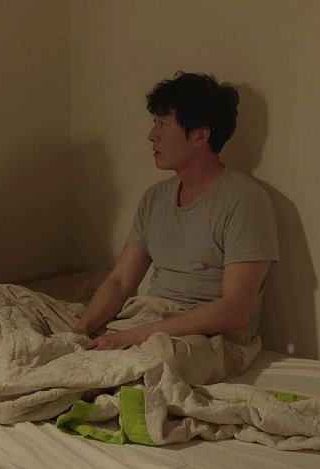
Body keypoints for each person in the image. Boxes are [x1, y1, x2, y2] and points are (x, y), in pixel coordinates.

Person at [73, 72, 279, 387]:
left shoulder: (245, 200)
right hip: (148, 317)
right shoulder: (155, 197)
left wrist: (132, 336)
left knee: (157, 361)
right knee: (6, 301)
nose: (151, 135)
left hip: (207, 337)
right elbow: (120, 281)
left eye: (162, 124)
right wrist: (79, 332)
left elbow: (235, 310)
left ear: (200, 136)